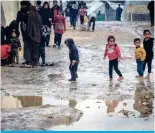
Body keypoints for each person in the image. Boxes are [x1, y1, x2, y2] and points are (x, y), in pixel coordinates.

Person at [16, 1, 31, 66]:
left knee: (29, 46)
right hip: (23, 31)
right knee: (25, 45)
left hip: (30, 31)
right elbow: (17, 20)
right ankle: (26, 59)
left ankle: (29, 60)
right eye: (22, 5)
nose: (22, 7)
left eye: (24, 5)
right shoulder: (20, 12)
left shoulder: (30, 12)